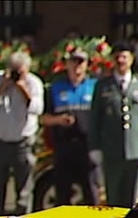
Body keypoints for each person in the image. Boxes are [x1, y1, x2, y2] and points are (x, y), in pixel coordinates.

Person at [88, 42, 138, 208]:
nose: (121, 60)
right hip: (112, 150)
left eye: (124, 57)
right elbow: (95, 119)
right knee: (113, 198)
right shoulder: (103, 85)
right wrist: (95, 147)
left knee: (133, 198)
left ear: (131, 59)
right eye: (117, 57)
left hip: (136, 149)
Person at [0, 51, 44, 215]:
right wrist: (2, 87)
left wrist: (23, 89)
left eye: (20, 72)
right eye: (13, 71)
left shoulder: (33, 82)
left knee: (24, 192)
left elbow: (38, 108)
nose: (16, 76)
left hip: (23, 142)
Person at [41, 48, 101, 206]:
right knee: (62, 193)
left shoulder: (95, 86)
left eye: (80, 62)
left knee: (91, 191)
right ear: (66, 64)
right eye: (73, 62)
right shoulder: (55, 88)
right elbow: (43, 118)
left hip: (87, 147)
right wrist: (58, 120)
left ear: (87, 65)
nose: (76, 66)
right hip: (64, 147)